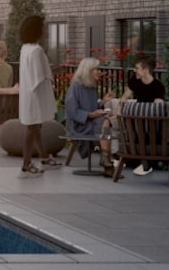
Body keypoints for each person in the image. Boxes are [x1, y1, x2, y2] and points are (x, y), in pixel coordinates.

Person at [112, 54, 167, 175]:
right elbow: (125, 97)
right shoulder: (135, 81)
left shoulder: (158, 86)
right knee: (132, 128)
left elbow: (158, 104)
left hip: (151, 120)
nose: (134, 70)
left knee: (145, 129)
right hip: (138, 118)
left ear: (145, 70)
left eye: (137, 68)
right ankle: (128, 159)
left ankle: (145, 163)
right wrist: (119, 111)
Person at [17, 16, 56, 174]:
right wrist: (53, 73)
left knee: (35, 126)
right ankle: (26, 163)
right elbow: (39, 75)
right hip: (35, 95)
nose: (44, 30)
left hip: (27, 93)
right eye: (42, 27)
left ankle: (44, 156)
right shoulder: (36, 50)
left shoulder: (25, 48)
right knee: (33, 128)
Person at [63, 57, 113, 170]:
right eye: (97, 69)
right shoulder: (75, 86)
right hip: (78, 125)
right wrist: (92, 115)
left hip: (91, 122)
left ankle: (105, 157)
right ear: (88, 70)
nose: (99, 72)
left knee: (106, 121)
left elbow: (93, 109)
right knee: (104, 122)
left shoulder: (91, 87)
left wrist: (103, 102)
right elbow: (72, 112)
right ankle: (105, 157)